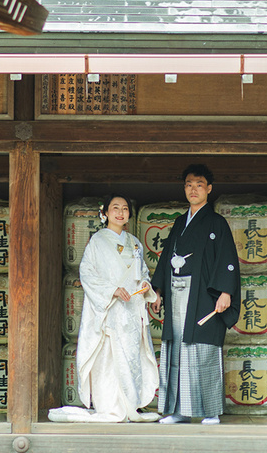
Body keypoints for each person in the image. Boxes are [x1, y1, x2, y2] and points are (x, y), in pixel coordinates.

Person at [48, 194, 160, 423]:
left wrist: (146, 285)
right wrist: (112, 290)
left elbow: (142, 273)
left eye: (125, 208)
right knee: (108, 359)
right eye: (115, 208)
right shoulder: (97, 242)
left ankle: (130, 406)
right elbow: (87, 274)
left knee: (131, 356)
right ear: (106, 213)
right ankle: (110, 406)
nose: (120, 212)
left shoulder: (135, 242)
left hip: (130, 311)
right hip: (110, 311)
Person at [149, 164, 240, 425]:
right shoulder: (180, 222)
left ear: (209, 189)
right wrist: (158, 291)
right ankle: (178, 411)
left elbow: (227, 259)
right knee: (176, 349)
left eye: (199, 184)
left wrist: (226, 292)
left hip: (203, 297)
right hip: (177, 296)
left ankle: (209, 411)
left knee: (203, 350)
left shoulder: (216, 223)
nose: (193, 189)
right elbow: (166, 258)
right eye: (189, 184)